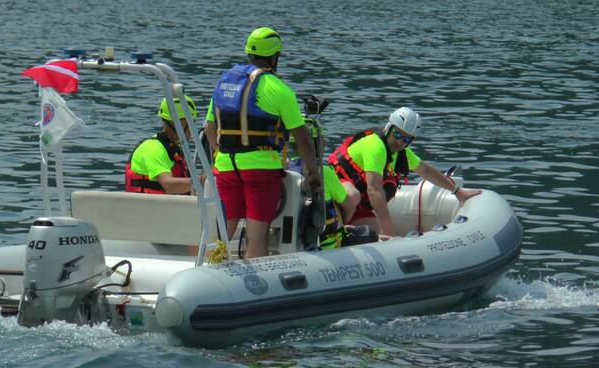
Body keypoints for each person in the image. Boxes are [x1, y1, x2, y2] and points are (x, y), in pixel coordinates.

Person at [204, 27, 322, 258]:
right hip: (261, 171)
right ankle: (252, 287)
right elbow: (302, 137)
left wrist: (223, 155)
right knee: (257, 234)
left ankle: (214, 272)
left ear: (249, 54)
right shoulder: (279, 89)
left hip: (227, 167)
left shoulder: (225, 84)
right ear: (275, 56)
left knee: (224, 232)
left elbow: (209, 129)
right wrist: (314, 172)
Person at [328, 107, 482, 237]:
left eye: (407, 139)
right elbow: (373, 189)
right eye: (398, 134)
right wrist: (388, 232)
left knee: (372, 232)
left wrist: (456, 190)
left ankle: (346, 234)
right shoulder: (376, 147)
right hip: (336, 192)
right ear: (389, 128)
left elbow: (425, 170)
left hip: (359, 206)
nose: (400, 142)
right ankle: (334, 233)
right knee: (353, 196)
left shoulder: (401, 152)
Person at [125, 96, 198, 195]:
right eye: (191, 123)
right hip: (148, 208)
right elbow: (169, 185)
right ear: (180, 124)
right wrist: (202, 181)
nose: (193, 129)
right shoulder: (152, 148)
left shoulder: (173, 150)